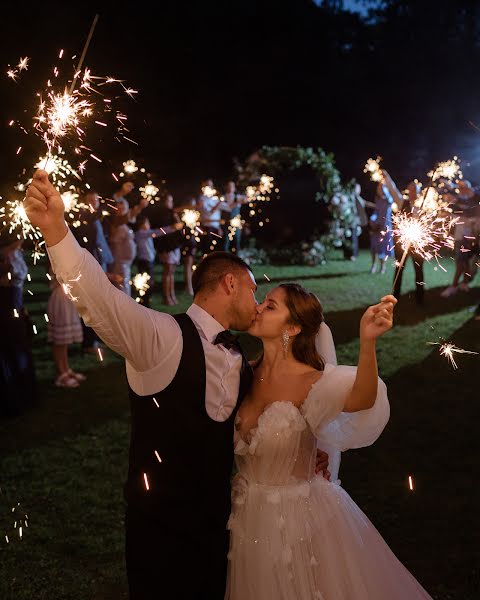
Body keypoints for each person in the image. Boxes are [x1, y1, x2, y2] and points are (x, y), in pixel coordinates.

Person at [24, 170, 333, 600]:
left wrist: (304, 451)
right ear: (230, 283)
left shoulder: (242, 359)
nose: (256, 301)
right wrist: (56, 229)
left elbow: (261, 417)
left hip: (222, 526)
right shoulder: (161, 338)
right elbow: (100, 302)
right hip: (161, 531)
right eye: (251, 289)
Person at [226, 284, 432, 599]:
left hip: (299, 520)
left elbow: (363, 398)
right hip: (246, 516)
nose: (257, 307)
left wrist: (367, 341)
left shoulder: (311, 381)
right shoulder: (243, 373)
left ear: (292, 328)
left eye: (270, 306)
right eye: (263, 301)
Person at [73, 190, 114, 353]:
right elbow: (87, 244)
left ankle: (96, 339)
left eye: (96, 200)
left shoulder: (97, 217)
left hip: (99, 263)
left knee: (98, 304)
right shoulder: (84, 218)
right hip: (89, 266)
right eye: (91, 200)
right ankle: (88, 343)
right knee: (89, 304)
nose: (94, 203)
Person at [0, 235, 37, 416]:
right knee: (11, 351)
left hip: (17, 309)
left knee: (20, 349)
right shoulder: (4, 258)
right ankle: (14, 398)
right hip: (6, 312)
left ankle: (25, 393)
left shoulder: (15, 254)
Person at [46, 265, 85, 388]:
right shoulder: (55, 262)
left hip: (68, 299)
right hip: (60, 300)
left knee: (65, 341)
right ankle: (61, 373)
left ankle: (66, 369)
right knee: (60, 341)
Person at [134, 214, 183, 306]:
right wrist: (172, 228)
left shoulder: (145, 234)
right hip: (144, 262)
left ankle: (146, 302)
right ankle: (144, 302)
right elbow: (158, 232)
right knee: (146, 283)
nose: (149, 225)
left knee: (150, 282)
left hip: (149, 261)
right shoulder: (141, 233)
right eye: (147, 223)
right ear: (142, 224)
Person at [440, 180, 478, 298]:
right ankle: (465, 283)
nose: (461, 189)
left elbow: (467, 218)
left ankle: (454, 286)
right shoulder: (460, 201)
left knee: (460, 262)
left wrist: (449, 215)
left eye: (463, 187)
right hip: (459, 235)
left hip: (466, 237)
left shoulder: (472, 203)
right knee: (464, 262)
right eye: (460, 187)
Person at [107, 196, 148, 296]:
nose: (121, 211)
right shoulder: (114, 223)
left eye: (123, 209)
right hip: (118, 263)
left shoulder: (124, 224)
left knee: (124, 288)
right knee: (122, 290)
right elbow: (126, 217)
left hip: (125, 264)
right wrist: (139, 207)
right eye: (118, 209)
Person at [392, 180, 425, 304]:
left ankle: (420, 297)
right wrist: (387, 176)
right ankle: (395, 296)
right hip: (402, 243)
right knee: (399, 269)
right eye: (411, 190)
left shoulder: (424, 205)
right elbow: (393, 189)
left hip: (417, 244)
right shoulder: (402, 202)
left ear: (418, 192)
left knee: (419, 270)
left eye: (415, 190)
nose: (412, 192)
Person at [369, 170, 401, 274]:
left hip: (384, 226)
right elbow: (376, 212)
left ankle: (382, 267)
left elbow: (387, 212)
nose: (379, 188)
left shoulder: (388, 200)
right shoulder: (377, 200)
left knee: (382, 247)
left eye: (381, 187)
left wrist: (384, 185)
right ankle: (373, 265)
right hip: (376, 226)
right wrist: (372, 220)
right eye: (378, 187)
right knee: (374, 246)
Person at [155, 193, 184, 305]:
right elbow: (162, 231)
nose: (171, 204)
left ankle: (172, 294)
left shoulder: (172, 214)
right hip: (166, 246)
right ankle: (166, 297)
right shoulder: (161, 215)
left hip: (173, 245)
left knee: (171, 271)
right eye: (169, 201)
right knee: (167, 271)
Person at [197, 179, 231, 256]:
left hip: (216, 227)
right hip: (207, 227)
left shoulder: (215, 198)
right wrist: (218, 204)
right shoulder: (202, 199)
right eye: (207, 185)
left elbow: (228, 208)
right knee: (207, 249)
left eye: (211, 185)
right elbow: (209, 213)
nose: (209, 187)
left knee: (217, 250)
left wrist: (237, 201)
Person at [221, 181, 247, 253]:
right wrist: (238, 202)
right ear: (226, 187)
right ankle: (225, 258)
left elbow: (246, 199)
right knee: (225, 240)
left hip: (236, 223)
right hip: (226, 222)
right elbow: (229, 207)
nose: (230, 188)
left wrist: (245, 199)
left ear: (234, 188)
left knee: (237, 240)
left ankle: (237, 259)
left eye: (232, 186)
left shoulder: (238, 197)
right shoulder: (223, 197)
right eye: (229, 186)